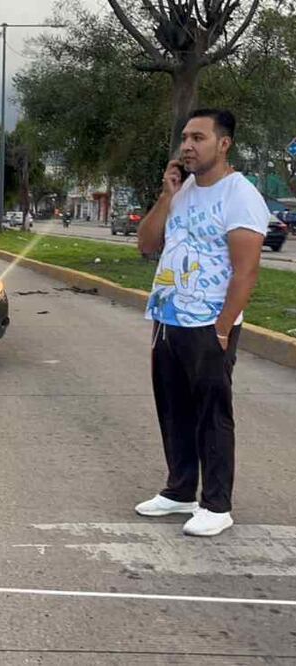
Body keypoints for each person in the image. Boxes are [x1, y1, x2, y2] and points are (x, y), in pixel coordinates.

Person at [135, 109, 270, 538]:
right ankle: (179, 491)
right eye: (185, 139)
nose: (188, 146)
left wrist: (224, 326)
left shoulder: (240, 195)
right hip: (168, 318)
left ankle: (216, 504)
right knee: (174, 409)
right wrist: (167, 194)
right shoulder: (184, 190)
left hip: (210, 322)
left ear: (223, 143)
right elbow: (146, 244)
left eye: (198, 138)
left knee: (212, 413)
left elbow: (246, 270)